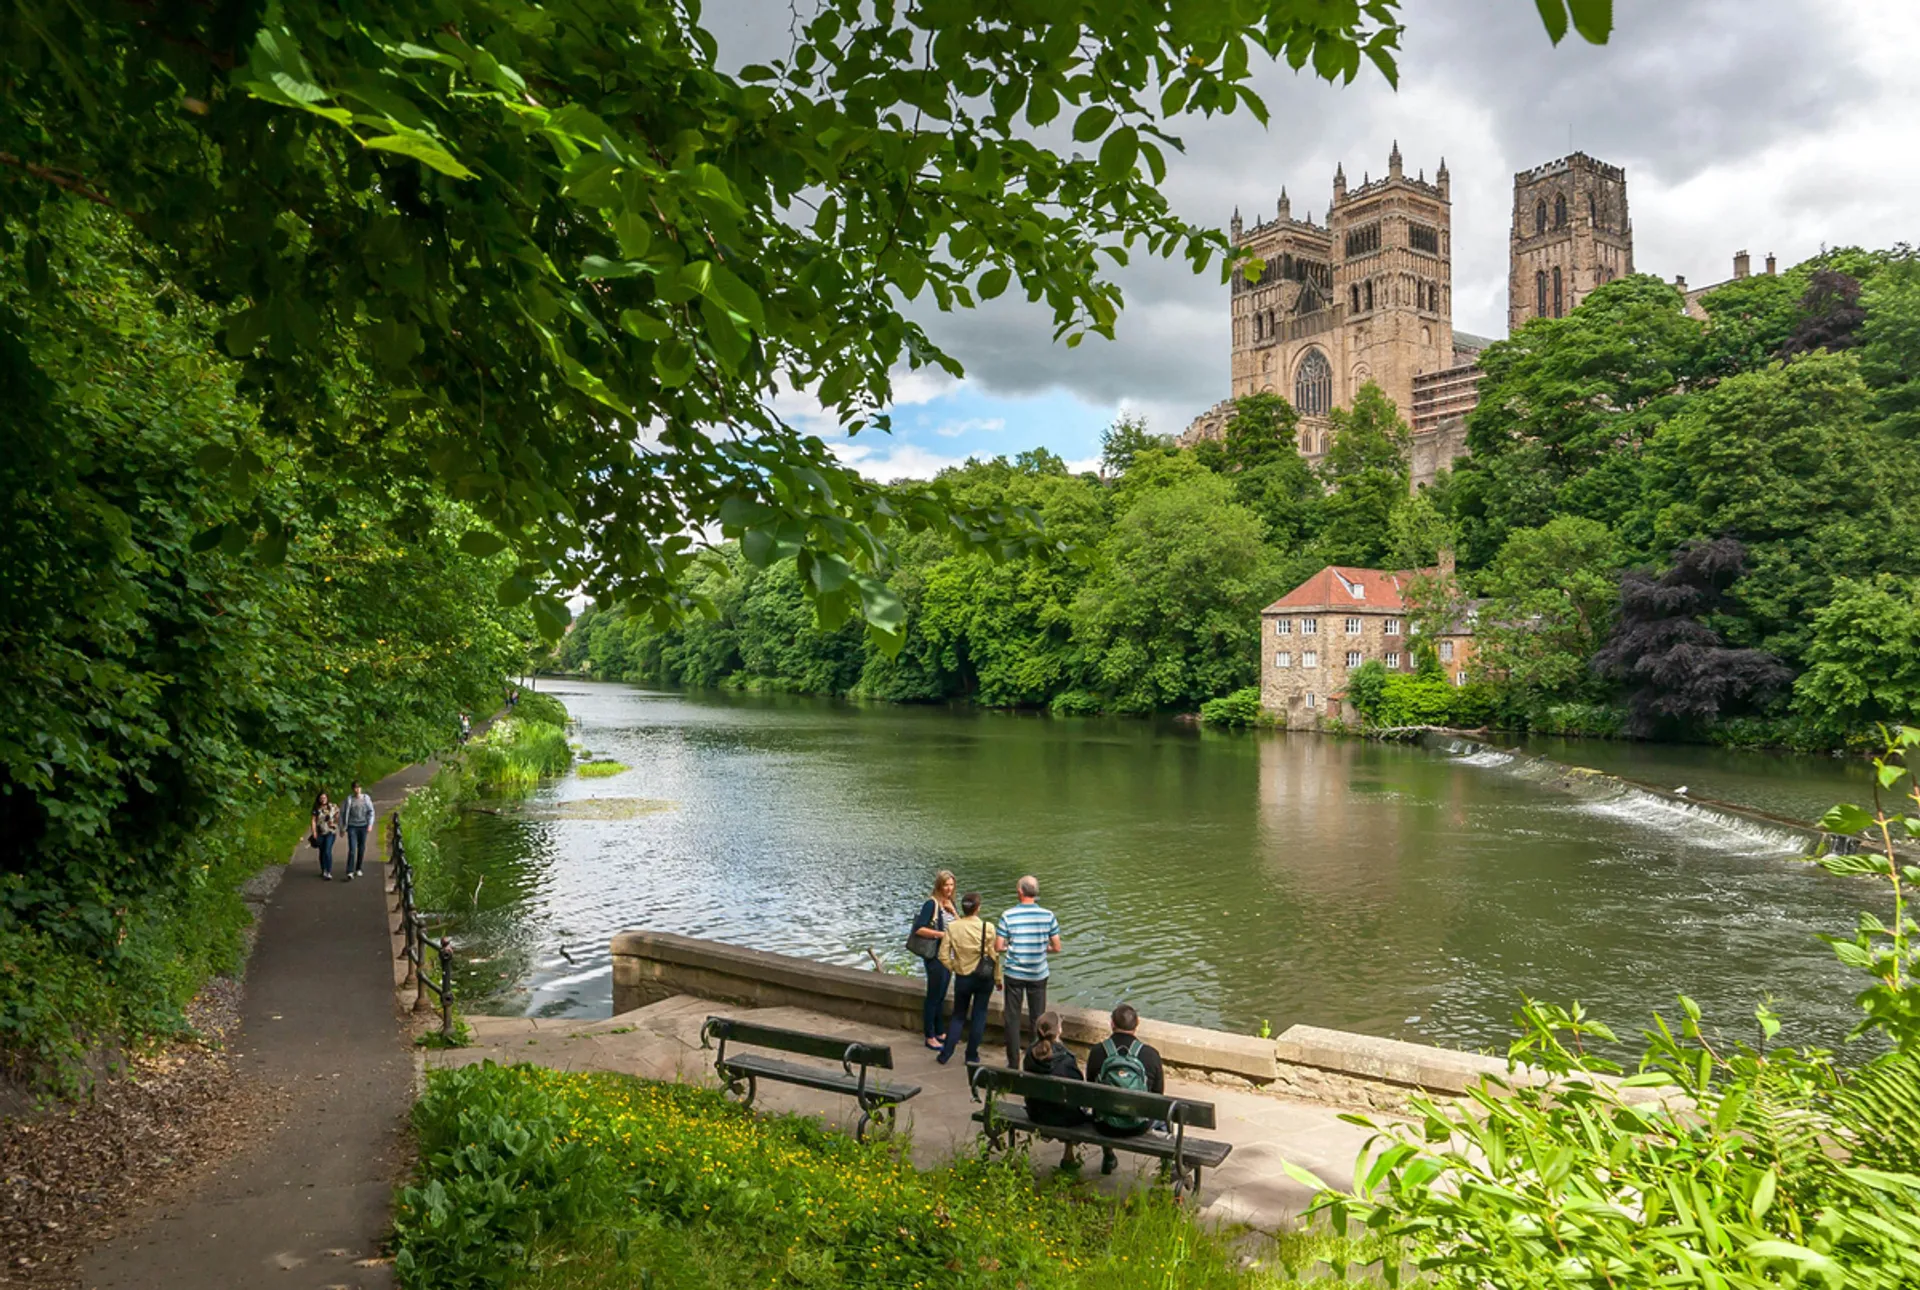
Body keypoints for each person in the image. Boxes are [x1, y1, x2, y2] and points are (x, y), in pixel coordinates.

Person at [1085, 1002, 1166, 1175]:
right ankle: (1166, 1167)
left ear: (1112, 1024)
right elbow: (1158, 1095)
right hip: (1139, 1125)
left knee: (1103, 1104)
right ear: (1137, 1024)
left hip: (1104, 1125)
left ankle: (1108, 1157)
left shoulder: (1097, 1052)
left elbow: (1091, 1089)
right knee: (1166, 1116)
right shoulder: (1151, 1054)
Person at [995, 875, 1060, 1067]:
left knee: (1012, 1018)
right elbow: (1056, 947)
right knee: (1038, 1020)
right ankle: (1035, 1060)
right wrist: (1042, 948)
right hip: (1038, 974)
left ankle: (1013, 1062)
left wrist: (1011, 947)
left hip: (1014, 973)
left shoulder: (1008, 915)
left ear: (1020, 892)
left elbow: (998, 946)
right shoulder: (1048, 916)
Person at [936, 892, 1000, 1066]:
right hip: (984, 976)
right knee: (979, 1014)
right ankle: (971, 1055)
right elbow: (994, 956)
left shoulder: (953, 927)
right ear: (978, 908)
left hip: (963, 976)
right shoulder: (988, 927)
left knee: (958, 1015)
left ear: (963, 908)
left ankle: (946, 1053)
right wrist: (998, 978)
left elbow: (943, 955)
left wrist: (955, 967)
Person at [1021, 1011, 1087, 1168]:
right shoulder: (1066, 1060)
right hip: (1063, 1117)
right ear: (1059, 1031)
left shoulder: (1030, 1054)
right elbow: (1079, 1092)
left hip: (1036, 1112)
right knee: (1071, 1104)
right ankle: (1068, 1156)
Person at [909, 870, 958, 1049]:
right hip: (935, 957)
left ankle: (939, 1030)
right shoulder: (931, 904)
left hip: (948, 957)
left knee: (941, 995)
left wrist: (953, 911)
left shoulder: (950, 903)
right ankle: (929, 1035)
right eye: (946, 885)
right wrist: (941, 934)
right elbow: (919, 929)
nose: (949, 889)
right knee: (933, 996)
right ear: (939, 885)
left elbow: (960, 928)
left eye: (952, 885)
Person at [341, 781, 375, 880]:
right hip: (352, 826)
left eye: (359, 787)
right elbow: (343, 813)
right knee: (352, 849)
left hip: (363, 826)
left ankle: (358, 868)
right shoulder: (349, 800)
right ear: (353, 789)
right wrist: (342, 828)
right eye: (355, 788)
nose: (357, 790)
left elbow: (371, 811)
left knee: (361, 848)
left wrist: (370, 824)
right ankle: (350, 870)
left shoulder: (366, 799)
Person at [309, 791, 340, 881]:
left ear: (327, 798)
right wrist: (314, 831)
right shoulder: (316, 808)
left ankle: (328, 871)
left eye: (324, 798)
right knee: (322, 851)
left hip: (330, 832)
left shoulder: (332, 807)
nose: (323, 800)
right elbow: (313, 820)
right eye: (321, 798)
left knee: (327, 850)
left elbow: (338, 816)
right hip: (320, 832)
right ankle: (323, 869)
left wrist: (334, 823)